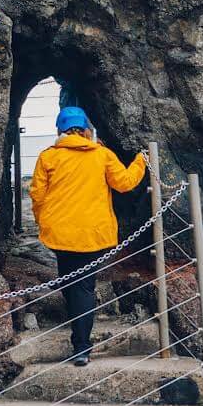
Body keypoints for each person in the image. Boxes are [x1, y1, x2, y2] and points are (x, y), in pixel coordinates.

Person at [29, 106, 146, 367]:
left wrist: (43, 221)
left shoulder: (48, 157)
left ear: (59, 130)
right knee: (83, 286)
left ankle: (80, 341)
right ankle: (81, 346)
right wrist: (141, 160)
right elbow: (124, 183)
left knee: (70, 281)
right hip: (93, 233)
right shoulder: (102, 154)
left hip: (60, 232)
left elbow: (37, 195)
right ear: (85, 130)